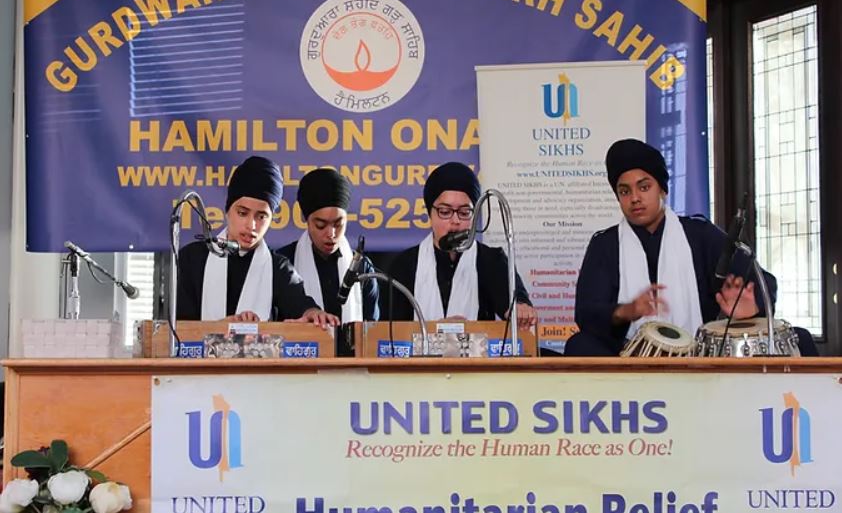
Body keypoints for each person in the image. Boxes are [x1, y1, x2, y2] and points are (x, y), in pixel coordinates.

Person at [565, 138, 818, 356]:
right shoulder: (605, 244)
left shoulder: (699, 235)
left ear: (662, 190)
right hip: (627, 353)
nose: (635, 198)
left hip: (700, 352)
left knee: (801, 339)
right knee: (579, 345)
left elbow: (761, 282)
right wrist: (625, 311)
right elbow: (587, 313)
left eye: (644, 187)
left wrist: (752, 308)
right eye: (624, 191)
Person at [176, 155, 338, 328]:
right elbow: (179, 328)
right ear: (227, 211)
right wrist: (221, 328)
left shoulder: (278, 267)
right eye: (242, 213)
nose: (251, 225)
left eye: (261, 216)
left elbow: (300, 304)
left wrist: (313, 313)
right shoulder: (192, 258)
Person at [388, 162, 537, 327]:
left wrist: (521, 309)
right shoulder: (404, 265)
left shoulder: (492, 260)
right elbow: (387, 330)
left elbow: (517, 302)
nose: (455, 221)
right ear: (430, 213)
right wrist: (437, 330)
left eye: (465, 213)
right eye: (445, 212)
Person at [277, 168, 379, 356]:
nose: (331, 234)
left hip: (352, 369)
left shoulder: (362, 268)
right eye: (321, 225)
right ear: (305, 219)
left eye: (338, 224)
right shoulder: (283, 263)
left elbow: (372, 334)